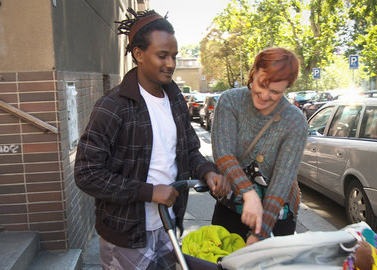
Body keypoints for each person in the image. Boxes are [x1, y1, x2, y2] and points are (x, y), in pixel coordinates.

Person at [74, 9, 230, 270]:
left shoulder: (175, 98)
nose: (170, 63)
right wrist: (148, 192)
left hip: (168, 224)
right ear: (138, 54)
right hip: (126, 233)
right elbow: (87, 174)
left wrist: (208, 171)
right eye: (162, 55)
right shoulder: (113, 106)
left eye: (174, 56)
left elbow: (190, 148)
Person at [211, 47, 308, 246]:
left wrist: (260, 232)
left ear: (287, 87)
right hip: (230, 209)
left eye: (275, 91)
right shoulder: (230, 101)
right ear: (253, 72)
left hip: (276, 215)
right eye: (261, 85)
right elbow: (223, 154)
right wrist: (249, 193)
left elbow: (282, 182)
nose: (264, 96)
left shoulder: (295, 121)